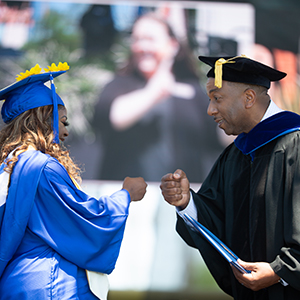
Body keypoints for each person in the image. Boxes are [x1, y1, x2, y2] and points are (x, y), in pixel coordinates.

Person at [0, 62, 147, 299]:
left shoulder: (8, 166)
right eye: (63, 121)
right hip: (49, 282)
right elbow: (84, 218)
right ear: (43, 119)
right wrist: (125, 195)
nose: (66, 132)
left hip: (17, 282)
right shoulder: (42, 167)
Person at [160, 55, 300, 299]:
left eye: (217, 98)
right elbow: (218, 221)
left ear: (248, 98)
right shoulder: (235, 155)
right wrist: (186, 203)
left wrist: (279, 271)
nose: (210, 109)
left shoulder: (295, 144)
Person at [93, 12, 224, 182]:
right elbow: (115, 117)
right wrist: (155, 90)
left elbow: (219, 134)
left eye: (150, 39)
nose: (142, 46)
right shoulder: (120, 84)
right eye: (137, 39)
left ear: (173, 45)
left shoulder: (194, 90)